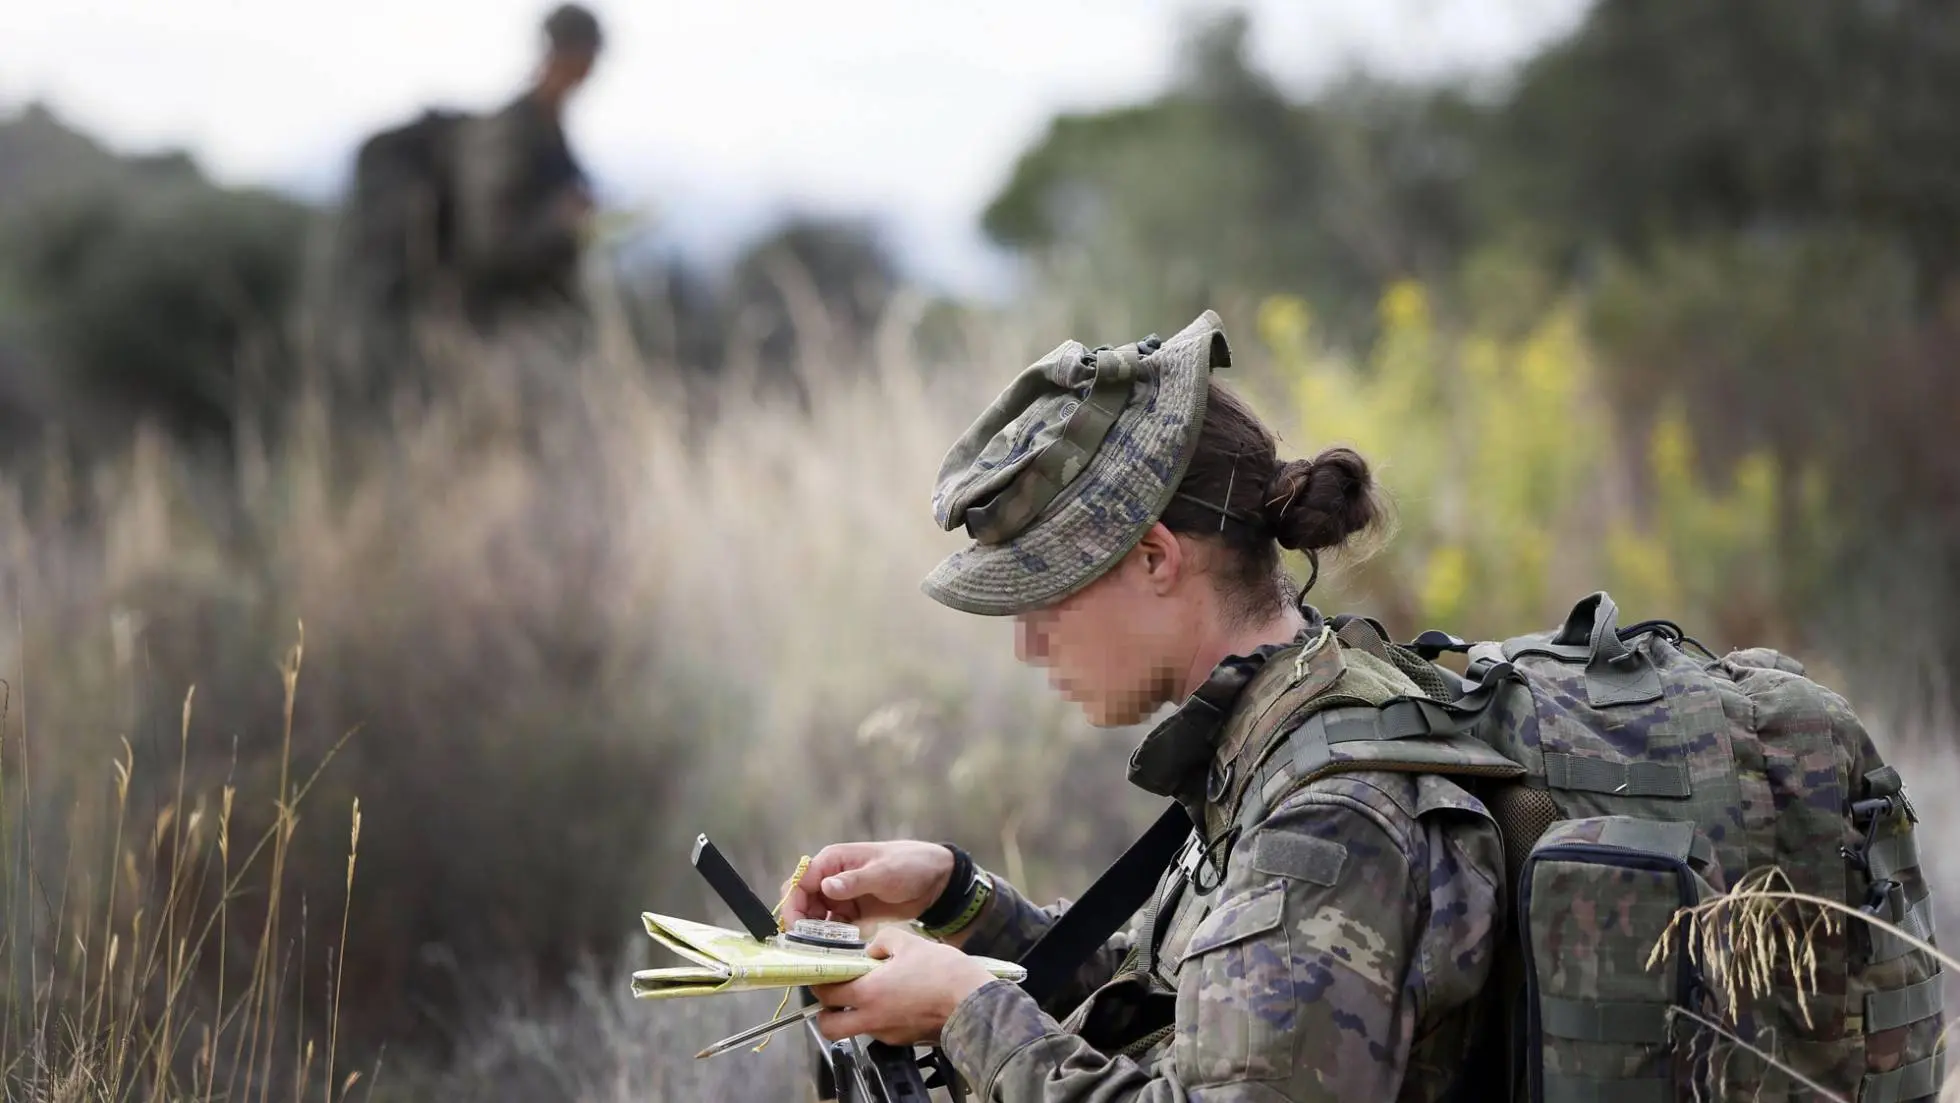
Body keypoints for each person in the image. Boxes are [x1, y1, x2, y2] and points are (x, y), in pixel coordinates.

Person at [780, 310, 1508, 1101]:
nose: (1029, 645)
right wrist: (961, 899)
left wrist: (967, 1011)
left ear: (1156, 558)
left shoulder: (1329, 815)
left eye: (1047, 600)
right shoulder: (1277, 726)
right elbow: (1170, 994)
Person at [450, 2, 604, 334]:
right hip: (502, 328)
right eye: (585, 60)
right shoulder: (509, 134)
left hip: (547, 320)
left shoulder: (552, 130)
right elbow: (488, 245)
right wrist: (559, 222)